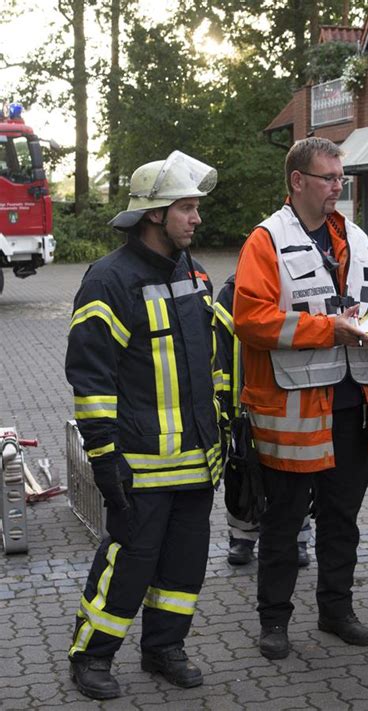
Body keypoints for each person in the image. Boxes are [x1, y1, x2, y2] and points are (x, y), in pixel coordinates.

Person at [65, 151, 223, 700]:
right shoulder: (108, 281)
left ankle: (164, 649)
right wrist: (104, 458)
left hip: (198, 459)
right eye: (187, 208)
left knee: (183, 569)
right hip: (140, 462)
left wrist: (230, 430)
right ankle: (91, 655)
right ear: (154, 213)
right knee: (128, 563)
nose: (197, 219)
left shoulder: (195, 273)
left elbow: (213, 361)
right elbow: (91, 377)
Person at [233, 136, 368, 659]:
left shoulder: (358, 240)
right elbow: (251, 319)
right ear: (298, 181)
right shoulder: (266, 241)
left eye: (340, 178)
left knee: (343, 518)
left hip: (353, 407)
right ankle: (274, 622)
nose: (337, 187)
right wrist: (328, 330)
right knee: (284, 521)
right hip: (294, 413)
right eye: (328, 178)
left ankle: (336, 611)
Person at [215, 274, 312, 568]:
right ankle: (242, 536)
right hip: (243, 403)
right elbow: (217, 350)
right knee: (243, 472)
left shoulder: (295, 289)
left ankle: (299, 537)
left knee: (296, 470)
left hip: (289, 399)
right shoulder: (231, 293)